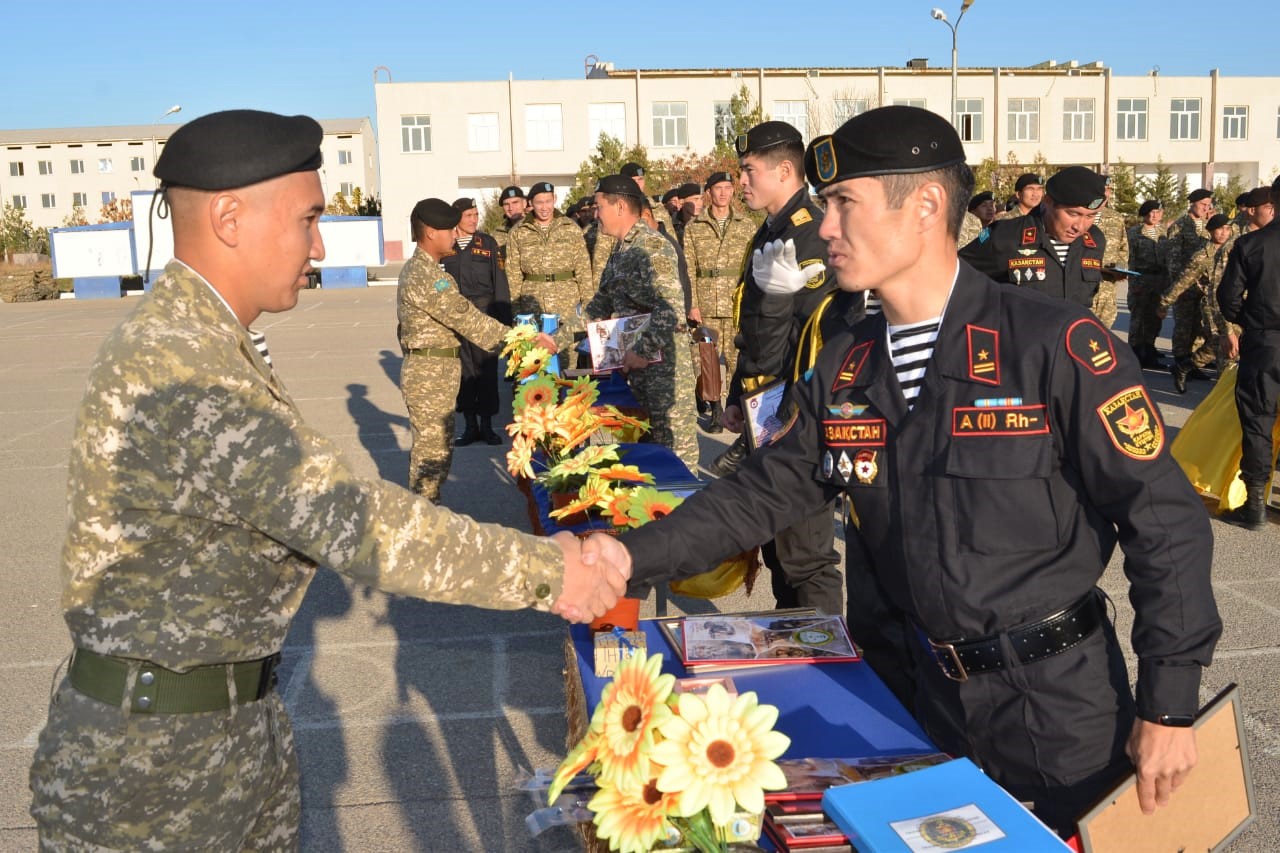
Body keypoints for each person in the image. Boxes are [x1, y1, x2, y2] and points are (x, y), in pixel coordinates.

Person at [598, 105, 1222, 837]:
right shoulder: (847, 361)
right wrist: (622, 557)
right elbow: (761, 493)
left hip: (1057, 709)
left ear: (925, 204)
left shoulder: (1049, 345)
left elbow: (1163, 522)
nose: (826, 225)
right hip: (915, 701)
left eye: (844, 203)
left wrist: (1169, 704)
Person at [27, 109, 629, 851]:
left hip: (219, 731)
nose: (318, 246)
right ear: (229, 218)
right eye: (307, 219)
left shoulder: (204, 340)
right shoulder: (180, 363)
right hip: (153, 777)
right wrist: (552, 570)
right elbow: (356, 521)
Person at [715, 119, 844, 618]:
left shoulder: (810, 234)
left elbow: (804, 340)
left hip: (794, 415)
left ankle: (822, 648)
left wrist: (779, 410)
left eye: (749, 170)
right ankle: (792, 640)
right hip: (763, 407)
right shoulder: (770, 230)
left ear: (785, 170)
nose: (741, 181)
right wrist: (736, 395)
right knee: (779, 550)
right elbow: (754, 327)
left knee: (805, 555)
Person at [585, 175, 699, 471]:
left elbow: (670, 308)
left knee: (675, 460)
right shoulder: (620, 250)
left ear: (620, 206)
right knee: (644, 462)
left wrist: (642, 350)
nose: (595, 215)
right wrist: (552, 338)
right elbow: (599, 305)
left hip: (664, 373)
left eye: (599, 207)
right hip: (635, 371)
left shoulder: (651, 246)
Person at [1217, 175, 1280, 531]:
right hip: (1263, 336)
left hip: (1264, 343)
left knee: (1258, 420)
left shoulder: (1252, 243)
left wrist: (1251, 321)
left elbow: (1227, 298)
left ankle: (1255, 505)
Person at [960, 165, 1108, 312]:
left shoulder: (1095, 241)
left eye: (1090, 216)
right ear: (1048, 202)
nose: (1080, 227)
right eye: (1073, 214)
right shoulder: (1005, 235)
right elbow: (956, 275)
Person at [684, 171, 756, 433]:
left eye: (728, 187)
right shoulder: (695, 227)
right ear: (709, 193)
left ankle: (737, 409)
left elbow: (754, 266)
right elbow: (688, 268)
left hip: (736, 305)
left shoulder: (747, 225)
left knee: (739, 361)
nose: (724, 193)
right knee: (707, 362)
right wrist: (692, 303)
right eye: (718, 188)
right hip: (706, 305)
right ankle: (715, 410)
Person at [444, 197, 511, 446]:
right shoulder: (447, 245)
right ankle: (470, 426)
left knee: (487, 372)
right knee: (464, 373)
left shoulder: (487, 243)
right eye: (468, 216)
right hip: (457, 318)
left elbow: (500, 282)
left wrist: (504, 320)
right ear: (457, 219)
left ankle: (487, 426)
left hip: (484, 315)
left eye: (475, 215)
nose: (474, 220)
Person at [506, 181, 594, 361]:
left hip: (567, 305)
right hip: (532, 304)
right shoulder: (519, 231)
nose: (544, 207)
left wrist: (588, 306)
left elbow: (583, 270)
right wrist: (517, 313)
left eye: (548, 201)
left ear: (555, 199)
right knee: (533, 360)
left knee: (567, 361)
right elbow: (513, 275)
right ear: (531, 203)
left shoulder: (570, 228)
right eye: (539, 202)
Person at [1159, 213, 1233, 393]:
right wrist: (1165, 302)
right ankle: (1221, 387)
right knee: (1221, 344)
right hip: (1212, 306)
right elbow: (1183, 281)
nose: (1224, 233)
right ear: (1210, 232)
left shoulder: (1232, 250)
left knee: (1224, 343)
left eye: (1227, 229)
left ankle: (1185, 366)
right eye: (1220, 229)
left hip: (1231, 304)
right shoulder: (1202, 255)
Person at [1166, 189, 1216, 387]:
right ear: (1192, 203)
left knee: (1198, 325)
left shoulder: (1207, 225)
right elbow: (1173, 260)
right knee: (1184, 325)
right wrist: (1180, 286)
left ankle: (1192, 364)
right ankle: (1180, 361)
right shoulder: (1179, 226)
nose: (1206, 208)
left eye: (1208, 204)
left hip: (1203, 287)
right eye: (1203, 204)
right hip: (1185, 286)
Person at [1126, 200, 1168, 368]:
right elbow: (1130, 259)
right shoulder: (1134, 233)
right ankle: (1134, 353)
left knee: (1155, 318)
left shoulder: (1164, 232)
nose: (1154, 215)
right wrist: (1133, 283)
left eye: (1158, 212)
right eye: (1151, 212)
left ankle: (1149, 350)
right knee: (1138, 318)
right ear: (1144, 215)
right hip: (1141, 278)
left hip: (1160, 280)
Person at [1091, 180, 1129, 329]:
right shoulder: (1081, 214)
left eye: (1108, 189)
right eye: (1103, 189)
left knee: (1105, 329)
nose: (1105, 193)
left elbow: (1123, 248)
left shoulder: (1116, 217)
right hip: (1085, 282)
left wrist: (1121, 268)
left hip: (1108, 284)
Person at [492, 185, 527, 253]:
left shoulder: (535, 228)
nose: (511, 208)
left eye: (515, 202)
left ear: (524, 203)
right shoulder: (497, 234)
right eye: (506, 204)